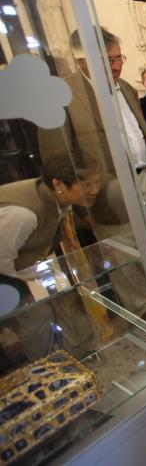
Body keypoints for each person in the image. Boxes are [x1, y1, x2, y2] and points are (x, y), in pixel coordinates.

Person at [38, 28, 146, 322]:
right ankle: (141, 310)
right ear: (82, 60)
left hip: (143, 176)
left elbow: (139, 134)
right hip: (107, 189)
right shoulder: (61, 97)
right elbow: (56, 158)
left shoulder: (127, 90)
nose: (118, 66)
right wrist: (78, 204)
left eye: (118, 57)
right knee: (124, 251)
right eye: (107, 60)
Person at [0, 149, 104, 359]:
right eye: (85, 185)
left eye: (97, 182)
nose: (95, 190)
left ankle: (74, 355)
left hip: (27, 264)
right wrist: (25, 290)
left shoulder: (57, 199)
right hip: (8, 272)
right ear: (58, 184)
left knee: (65, 298)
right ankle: (45, 370)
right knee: (36, 317)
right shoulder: (23, 214)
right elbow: (2, 260)